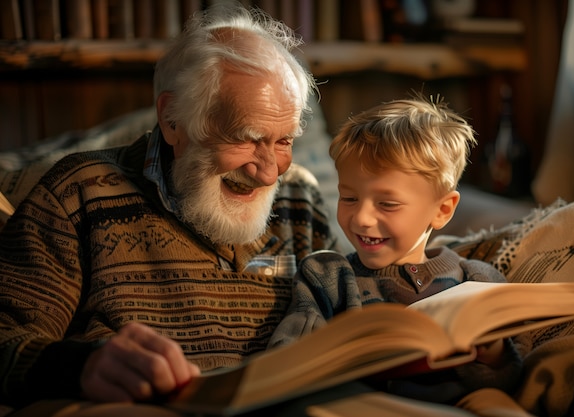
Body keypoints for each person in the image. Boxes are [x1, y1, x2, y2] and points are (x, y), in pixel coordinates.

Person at [0, 4, 339, 412]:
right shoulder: (78, 193)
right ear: (172, 119)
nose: (269, 173)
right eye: (245, 137)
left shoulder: (299, 197)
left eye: (283, 141)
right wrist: (81, 367)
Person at [268, 97, 522, 404]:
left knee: (494, 404)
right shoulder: (328, 276)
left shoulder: (478, 281)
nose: (361, 218)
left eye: (387, 204)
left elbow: (513, 376)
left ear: (441, 210)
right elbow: (287, 357)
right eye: (348, 198)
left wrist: (492, 355)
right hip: (367, 407)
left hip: (462, 404)